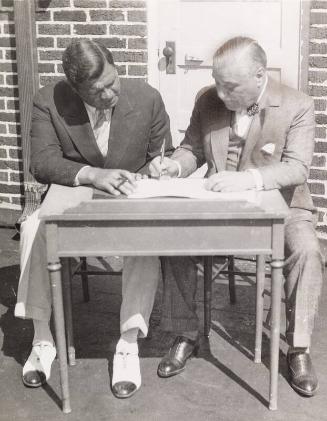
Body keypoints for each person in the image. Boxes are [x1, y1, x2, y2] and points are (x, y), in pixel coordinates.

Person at [150, 36, 323, 397]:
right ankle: (186, 333)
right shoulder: (208, 99)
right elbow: (192, 149)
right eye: (216, 82)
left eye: (229, 86)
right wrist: (174, 167)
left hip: (284, 207)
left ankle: (299, 348)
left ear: (259, 76)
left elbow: (296, 169)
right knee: (173, 241)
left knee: (307, 250)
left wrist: (247, 179)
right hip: (221, 208)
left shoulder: (297, 105)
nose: (220, 93)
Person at [15, 39, 173, 399]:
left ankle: (129, 343)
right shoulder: (48, 100)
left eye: (111, 82)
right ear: (75, 87)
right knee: (32, 229)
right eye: (96, 90)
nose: (108, 94)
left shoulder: (147, 97)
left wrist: (161, 166)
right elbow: (40, 162)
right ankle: (42, 339)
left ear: (116, 68)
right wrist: (91, 174)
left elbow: (159, 153)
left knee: (145, 238)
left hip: (128, 193)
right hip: (74, 190)